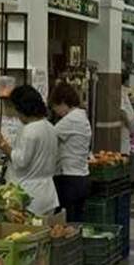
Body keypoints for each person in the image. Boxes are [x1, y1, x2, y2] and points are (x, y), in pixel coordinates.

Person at [0, 85, 59, 216]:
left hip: (30, 195)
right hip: (48, 193)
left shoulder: (30, 130)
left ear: (22, 109)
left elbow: (20, 161)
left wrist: (1, 143)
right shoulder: (50, 127)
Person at [49, 82, 90, 221]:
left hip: (69, 179)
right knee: (76, 222)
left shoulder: (70, 120)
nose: (55, 111)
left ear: (63, 102)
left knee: (66, 223)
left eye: (55, 106)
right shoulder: (82, 117)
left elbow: (48, 137)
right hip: (82, 177)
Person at [119, 69, 134, 155]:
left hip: (128, 125)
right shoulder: (120, 92)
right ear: (125, 80)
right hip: (125, 126)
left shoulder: (125, 90)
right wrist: (129, 125)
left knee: (126, 145)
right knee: (124, 148)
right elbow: (122, 111)